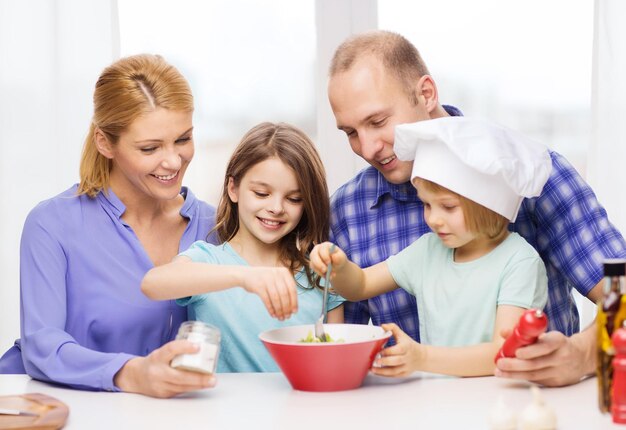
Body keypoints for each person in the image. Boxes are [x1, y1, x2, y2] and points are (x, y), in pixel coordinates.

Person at [327, 30, 626, 385]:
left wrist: (583, 355)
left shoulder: (528, 174)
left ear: (426, 93)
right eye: (350, 133)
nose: (368, 148)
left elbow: (620, 293)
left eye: (377, 122)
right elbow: (348, 350)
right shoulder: (349, 209)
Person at [0, 54, 217, 398]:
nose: (174, 161)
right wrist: (132, 374)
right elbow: (42, 346)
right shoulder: (52, 225)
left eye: (183, 139)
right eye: (149, 148)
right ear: (105, 142)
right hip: (59, 407)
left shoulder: (213, 226)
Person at [311, 117, 550, 376]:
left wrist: (421, 357)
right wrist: (339, 266)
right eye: (427, 204)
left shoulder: (519, 262)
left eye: (448, 207)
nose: (433, 219)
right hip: (434, 403)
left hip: (495, 406)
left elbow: (503, 353)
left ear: (488, 204)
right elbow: (361, 285)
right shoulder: (429, 251)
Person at [141, 122, 345, 372]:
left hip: (305, 410)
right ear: (233, 188)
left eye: (294, 199)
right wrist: (245, 276)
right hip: (224, 411)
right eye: (261, 193)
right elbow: (152, 284)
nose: (277, 207)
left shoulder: (320, 276)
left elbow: (337, 365)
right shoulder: (209, 260)